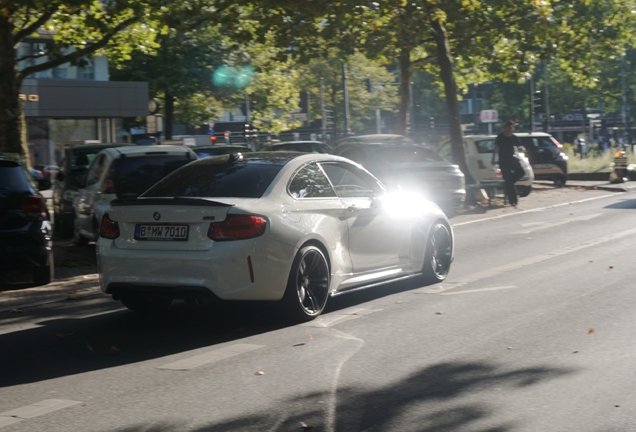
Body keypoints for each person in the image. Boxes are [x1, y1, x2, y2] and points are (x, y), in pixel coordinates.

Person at [491, 120, 525, 207]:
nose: (510, 129)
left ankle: (508, 183)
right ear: (505, 127)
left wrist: (522, 148)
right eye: (508, 127)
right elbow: (496, 148)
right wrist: (493, 158)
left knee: (521, 172)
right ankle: (513, 201)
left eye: (511, 127)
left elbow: (520, 146)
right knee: (508, 180)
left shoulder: (514, 137)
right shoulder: (500, 136)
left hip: (511, 158)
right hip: (503, 160)